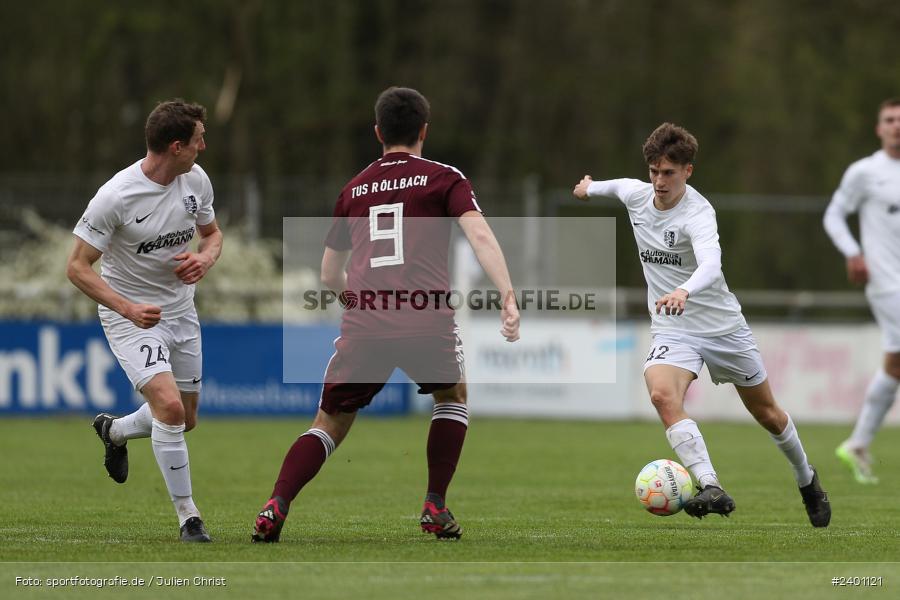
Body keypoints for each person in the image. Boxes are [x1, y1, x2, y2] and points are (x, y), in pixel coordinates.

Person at [252, 86, 520, 543]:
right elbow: (480, 237)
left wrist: (361, 308)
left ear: (377, 132)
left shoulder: (354, 188)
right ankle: (434, 503)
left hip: (366, 324)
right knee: (452, 396)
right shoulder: (443, 178)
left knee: (329, 423)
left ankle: (276, 504)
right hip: (426, 319)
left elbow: (328, 272)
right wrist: (507, 297)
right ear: (424, 131)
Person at [573, 123, 830, 527]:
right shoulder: (637, 194)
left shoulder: (698, 212)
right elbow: (615, 186)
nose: (659, 181)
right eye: (654, 171)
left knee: (768, 414)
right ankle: (710, 484)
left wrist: (684, 291)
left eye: (669, 173)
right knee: (661, 395)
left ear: (688, 171)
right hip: (673, 328)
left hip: (722, 327)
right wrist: (588, 186)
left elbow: (712, 264)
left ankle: (807, 479)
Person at [66, 99, 222, 542]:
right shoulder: (115, 197)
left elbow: (212, 235)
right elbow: (77, 266)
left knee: (185, 419)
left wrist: (206, 259)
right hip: (132, 317)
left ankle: (114, 430)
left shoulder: (196, 180)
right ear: (176, 146)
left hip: (181, 310)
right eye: (198, 140)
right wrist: (127, 308)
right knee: (169, 408)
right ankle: (189, 518)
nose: (204, 147)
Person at [824, 98, 900, 485]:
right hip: (887, 283)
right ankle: (857, 442)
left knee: (895, 365)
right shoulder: (866, 172)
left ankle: (857, 444)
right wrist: (853, 252)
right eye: (889, 119)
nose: (896, 126)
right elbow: (833, 214)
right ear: (879, 127)